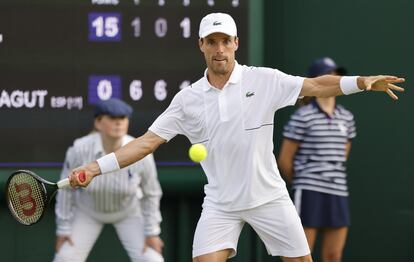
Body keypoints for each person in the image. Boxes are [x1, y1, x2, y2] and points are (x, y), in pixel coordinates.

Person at [67, 13, 405, 262]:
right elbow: (145, 143)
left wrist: (360, 82)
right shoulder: (187, 100)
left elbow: (315, 85)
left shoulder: (264, 80)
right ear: (201, 45)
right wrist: (96, 168)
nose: (219, 49)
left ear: (235, 44)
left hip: (269, 197)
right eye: (212, 41)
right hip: (221, 204)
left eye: (225, 41)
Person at [53, 98, 164, 262]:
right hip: (87, 211)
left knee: (152, 260)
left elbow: (151, 192)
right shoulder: (79, 149)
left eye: (123, 118)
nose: (118, 123)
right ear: (98, 123)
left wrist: (152, 232)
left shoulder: (141, 151)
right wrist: (63, 229)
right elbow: (65, 192)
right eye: (112, 118)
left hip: (129, 212)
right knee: (65, 258)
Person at [278, 57, 356, 262]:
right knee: (301, 256)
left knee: (333, 256)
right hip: (308, 191)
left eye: (337, 73)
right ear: (316, 79)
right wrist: (303, 182)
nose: (336, 78)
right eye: (330, 74)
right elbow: (285, 159)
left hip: (337, 191)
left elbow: (343, 155)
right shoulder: (302, 116)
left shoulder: (347, 118)